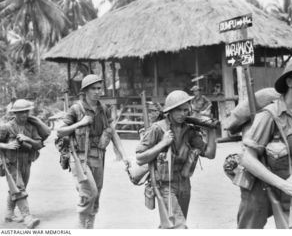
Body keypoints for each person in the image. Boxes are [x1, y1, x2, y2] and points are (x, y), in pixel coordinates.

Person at [238, 54, 292, 229]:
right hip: (259, 187)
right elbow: (247, 158)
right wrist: (281, 184)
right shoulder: (269, 115)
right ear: (289, 82)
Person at [136, 90, 217, 228]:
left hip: (184, 184)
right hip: (165, 185)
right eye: (178, 110)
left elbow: (210, 154)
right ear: (170, 111)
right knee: (179, 226)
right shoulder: (158, 129)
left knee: (171, 225)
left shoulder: (189, 130)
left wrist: (211, 130)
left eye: (186, 110)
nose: (183, 114)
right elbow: (139, 158)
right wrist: (163, 143)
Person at [57, 74, 129, 229]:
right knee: (90, 192)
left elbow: (113, 132)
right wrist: (80, 123)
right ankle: (80, 227)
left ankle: (90, 227)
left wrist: (124, 155)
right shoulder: (76, 109)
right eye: (93, 89)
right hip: (80, 157)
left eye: (99, 88)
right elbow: (60, 131)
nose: (97, 91)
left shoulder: (103, 109)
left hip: (98, 156)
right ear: (85, 92)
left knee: (97, 194)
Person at [0, 99, 43, 229]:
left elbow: (39, 144)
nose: (24, 114)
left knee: (17, 187)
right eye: (21, 112)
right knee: (19, 188)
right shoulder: (6, 127)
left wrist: (28, 139)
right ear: (15, 113)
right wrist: (7, 145)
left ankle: (9, 214)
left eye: (26, 111)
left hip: (26, 161)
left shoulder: (31, 127)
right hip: (11, 162)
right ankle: (27, 217)